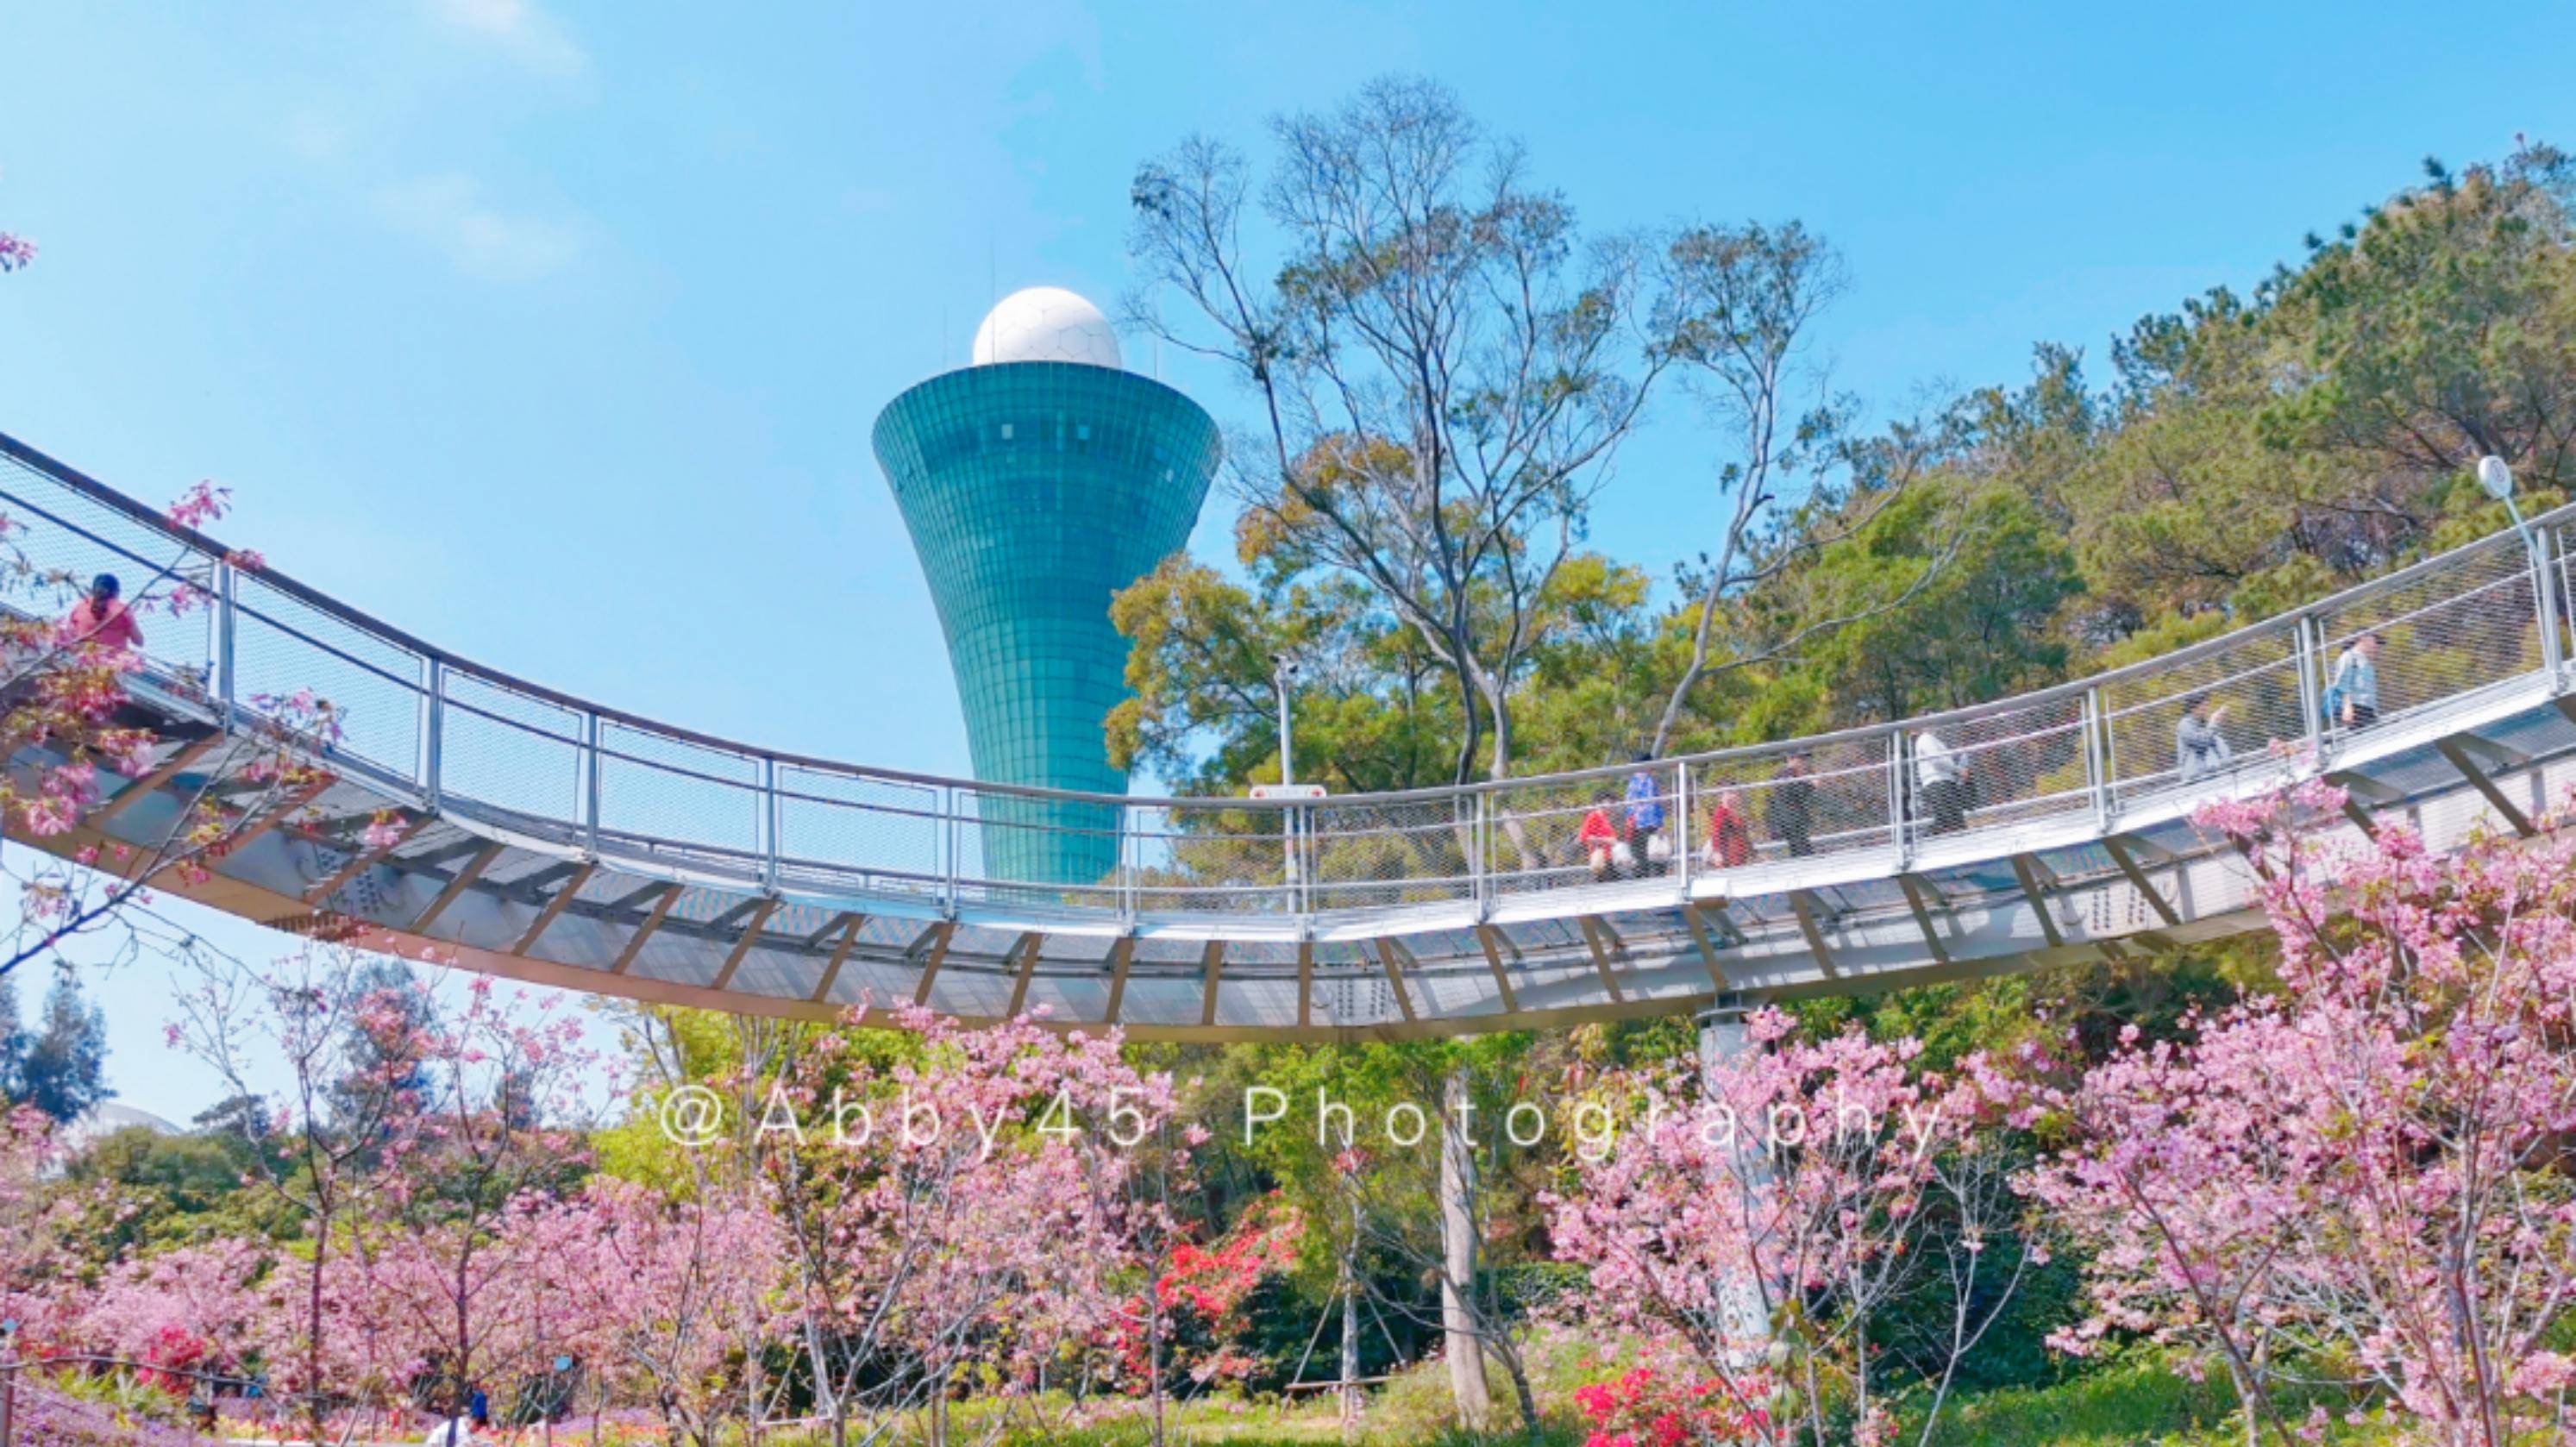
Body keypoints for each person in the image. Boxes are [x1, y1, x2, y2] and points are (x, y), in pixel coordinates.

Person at [60, 573, 142, 653]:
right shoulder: (122, 610)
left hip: (83, 660)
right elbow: (139, 641)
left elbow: (70, 635)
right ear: (116, 592)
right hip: (113, 664)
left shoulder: (80, 607)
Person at [1915, 728, 1969, 836]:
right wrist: (1958, 770)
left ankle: (1927, 837)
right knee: (1950, 820)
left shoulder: (1934, 740)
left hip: (1943, 782)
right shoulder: (1926, 738)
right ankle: (1924, 838)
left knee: (1949, 818)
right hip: (1938, 782)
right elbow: (1937, 761)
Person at [2326, 630, 2381, 730]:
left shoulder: (2366, 661)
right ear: (2363, 638)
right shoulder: (2349, 657)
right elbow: (2342, 683)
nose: (2376, 645)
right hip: (2356, 707)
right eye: (2374, 641)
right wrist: (2348, 707)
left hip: (2367, 707)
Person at [1766, 751, 1817, 858]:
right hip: (1789, 823)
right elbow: (1790, 794)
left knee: (1803, 850)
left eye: (1804, 759)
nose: (1803, 762)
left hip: (1796, 822)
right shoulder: (1785, 775)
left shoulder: (1795, 775)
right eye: (1800, 759)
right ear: (1790, 759)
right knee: (1801, 852)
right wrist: (1811, 785)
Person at [1621, 752, 1667, 868]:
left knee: (1646, 857)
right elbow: (1652, 805)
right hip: (1644, 824)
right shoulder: (1645, 781)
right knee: (1651, 857)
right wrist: (1658, 823)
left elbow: (1654, 804)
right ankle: (1650, 878)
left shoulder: (1637, 781)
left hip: (1642, 824)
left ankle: (1645, 878)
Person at [2175, 692, 2233, 784]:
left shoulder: (2203, 723)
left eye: (2207, 705)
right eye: (2203, 705)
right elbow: (2201, 743)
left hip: (2211, 772)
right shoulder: (2184, 725)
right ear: (2193, 707)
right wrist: (2213, 723)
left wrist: (2217, 723)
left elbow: (2216, 743)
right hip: (2196, 777)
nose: (2206, 708)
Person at [1577, 796, 1626, 880]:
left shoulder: (1604, 817)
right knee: (1608, 882)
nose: (1610, 806)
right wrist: (1605, 840)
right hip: (1601, 857)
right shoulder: (1593, 816)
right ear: (1599, 804)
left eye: (1611, 804)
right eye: (1607, 803)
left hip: (1609, 857)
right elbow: (1583, 837)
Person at [1703, 788, 1755, 868]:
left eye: (1734, 793)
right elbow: (1716, 833)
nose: (1733, 796)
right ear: (1721, 797)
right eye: (1729, 793)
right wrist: (1717, 852)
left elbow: (1744, 835)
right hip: (1728, 859)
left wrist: (1752, 852)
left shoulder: (1736, 812)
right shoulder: (1721, 813)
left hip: (1740, 857)